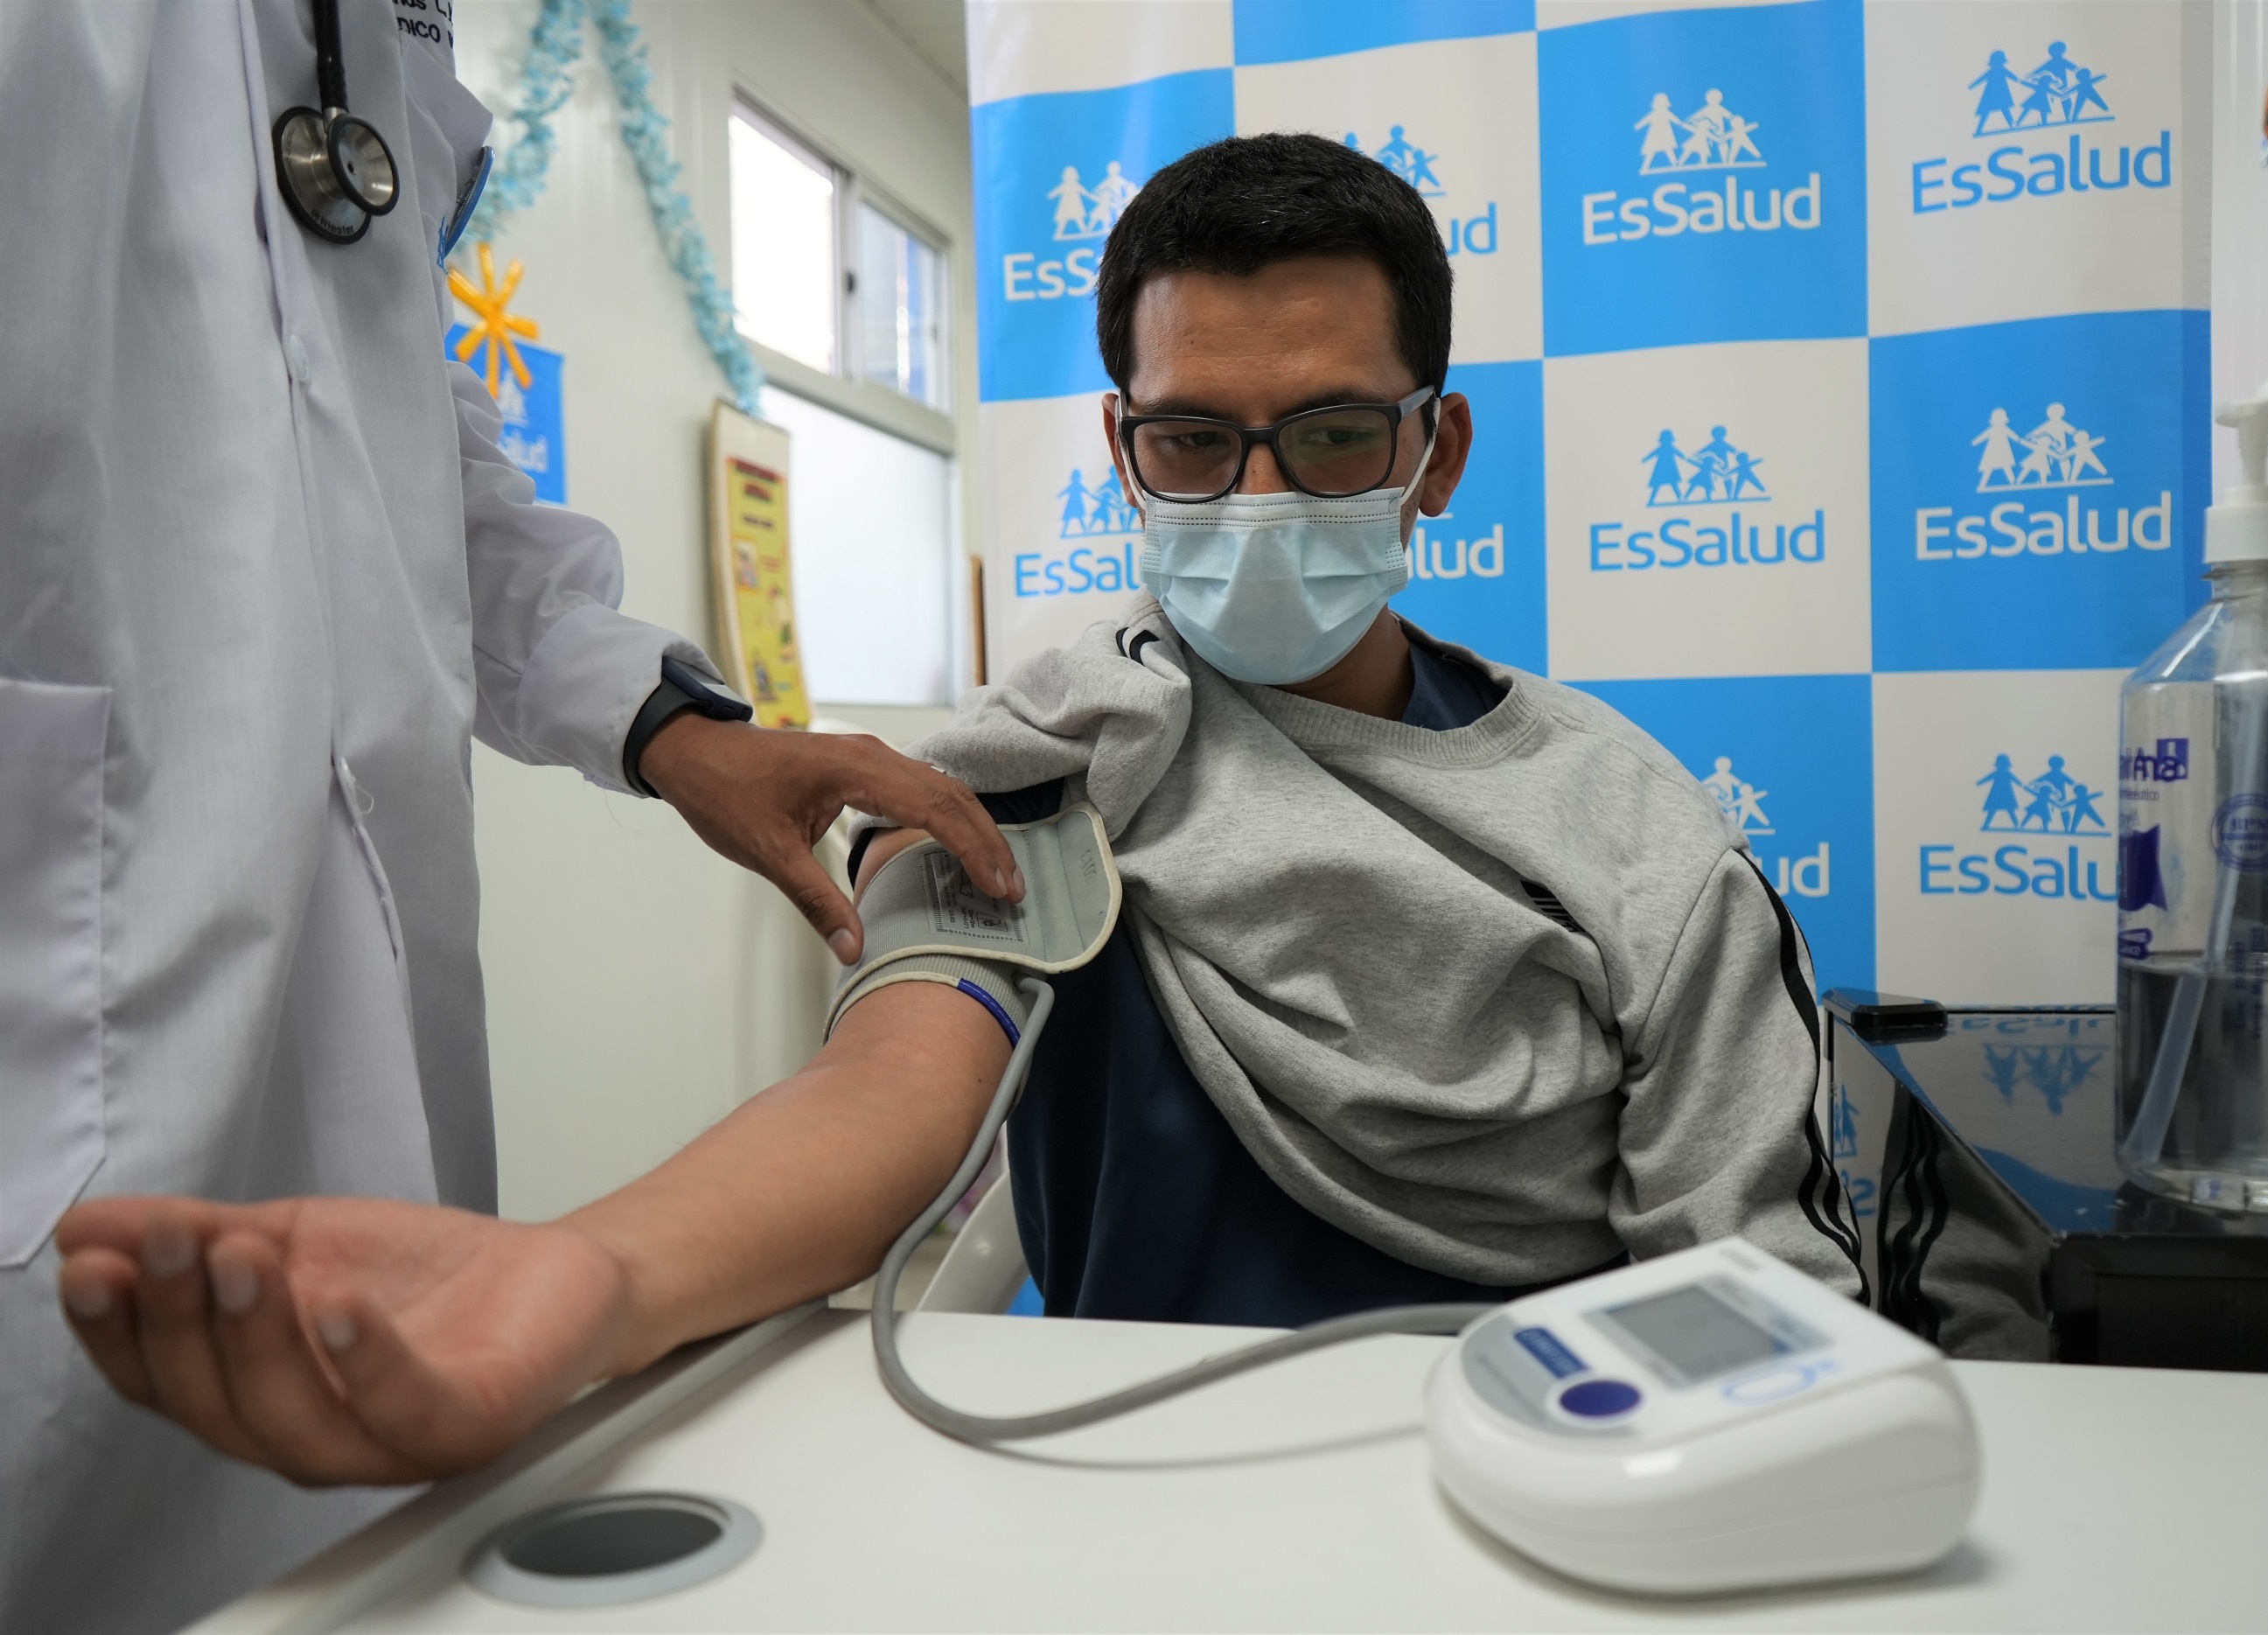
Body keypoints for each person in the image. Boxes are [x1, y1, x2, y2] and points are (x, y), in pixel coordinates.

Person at [54, 131, 1860, 1529]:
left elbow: (1754, 1288)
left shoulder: (1627, 829)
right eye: (1190, 442)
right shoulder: (1042, 765)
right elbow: (886, 1098)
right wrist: (588, 1275)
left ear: (1434, 453)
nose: (1252, 497)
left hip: (1552, 1488)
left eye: (1326, 437)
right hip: (1133, 1497)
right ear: (1120, 446)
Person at [3, 9, 1016, 1633]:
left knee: (378, 1559)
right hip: (70, 1014)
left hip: (361, 1025)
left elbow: (403, 449)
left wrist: (669, 722)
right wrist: (604, 1275)